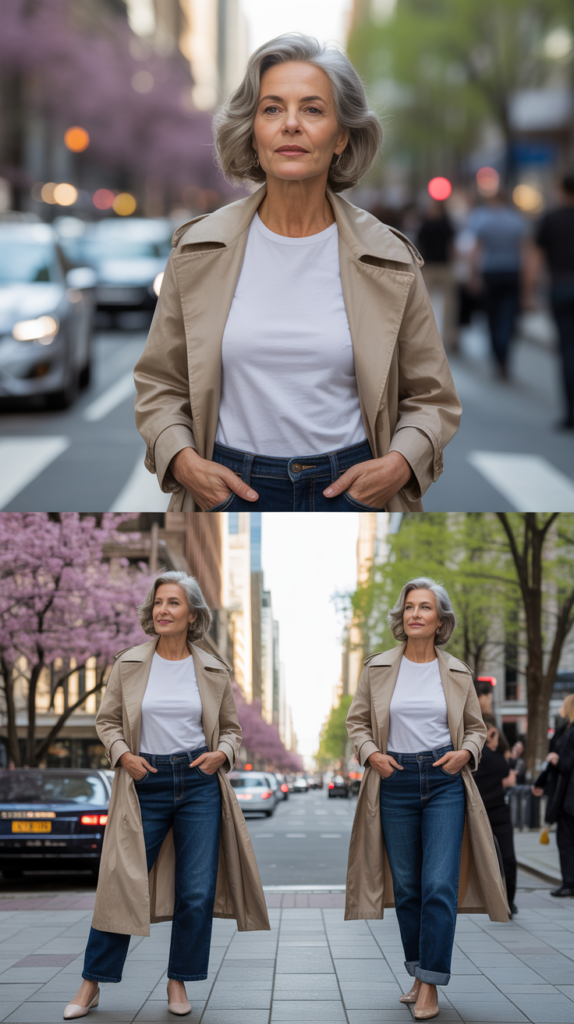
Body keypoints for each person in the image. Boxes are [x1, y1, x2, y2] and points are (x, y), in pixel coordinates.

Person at [134, 33, 461, 514]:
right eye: (271, 109)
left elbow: (432, 397)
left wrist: (397, 465)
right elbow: (160, 383)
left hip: (356, 491)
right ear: (252, 131)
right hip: (225, 492)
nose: (290, 124)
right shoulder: (197, 250)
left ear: (342, 136)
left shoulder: (389, 257)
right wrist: (183, 462)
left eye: (312, 109)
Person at [63, 571, 268, 1020]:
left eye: (173, 603)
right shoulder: (130, 663)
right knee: (121, 884)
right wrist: (122, 755)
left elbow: (231, 729)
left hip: (198, 782)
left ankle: (179, 981)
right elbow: (107, 721)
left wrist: (221, 755)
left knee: (195, 891)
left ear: (192, 614)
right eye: (158, 602)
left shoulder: (213, 669)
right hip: (144, 781)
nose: (162, 610)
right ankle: (91, 983)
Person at [345, 578, 508, 1021]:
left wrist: (466, 753)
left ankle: (431, 984)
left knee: (439, 883)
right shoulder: (377, 668)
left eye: (425, 608)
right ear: (402, 617)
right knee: (410, 888)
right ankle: (417, 973)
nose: (415, 614)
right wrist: (372, 754)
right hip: (394, 779)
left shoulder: (456, 671)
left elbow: (476, 728)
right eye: (409, 607)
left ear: (440, 620)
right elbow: (356, 723)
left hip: (443, 779)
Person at [527, 172, 574, 429]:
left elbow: (534, 257)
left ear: (561, 190)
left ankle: (570, 414)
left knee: (567, 350)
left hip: (561, 287)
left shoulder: (551, 219)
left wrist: (529, 291)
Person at [468, 190, 529, 379]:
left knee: (492, 318)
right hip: (512, 272)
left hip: (490, 273)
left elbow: (475, 250)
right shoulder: (517, 220)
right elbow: (526, 252)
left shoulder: (482, 219)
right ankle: (505, 354)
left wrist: (474, 275)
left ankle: (497, 357)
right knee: (509, 316)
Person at [532, 695, 574, 897]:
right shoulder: (565, 730)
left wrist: (556, 759)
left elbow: (566, 765)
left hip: (568, 797)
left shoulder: (570, 733)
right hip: (565, 795)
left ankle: (569, 883)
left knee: (565, 841)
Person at [474, 723, 518, 916]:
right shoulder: (485, 756)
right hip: (489, 812)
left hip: (492, 811)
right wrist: (491, 745)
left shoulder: (489, 757)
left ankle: (507, 902)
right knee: (505, 859)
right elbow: (505, 772)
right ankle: (507, 902)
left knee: (505, 859)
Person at [417, 200, 457, 350]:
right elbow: (452, 245)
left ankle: (428, 337)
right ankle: (448, 337)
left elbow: (419, 243)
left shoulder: (426, 222)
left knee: (426, 303)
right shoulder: (446, 223)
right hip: (442, 265)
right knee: (447, 304)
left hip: (432, 265)